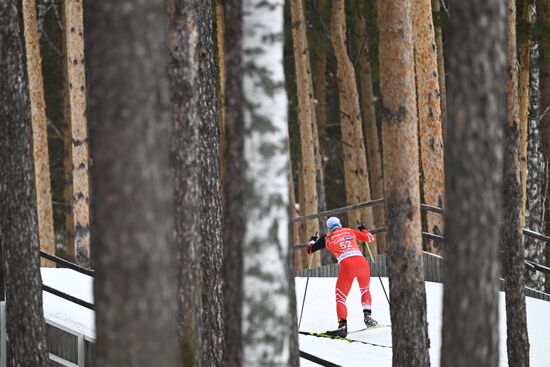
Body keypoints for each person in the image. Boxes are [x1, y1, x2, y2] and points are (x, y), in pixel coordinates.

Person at [306, 216, 378, 337]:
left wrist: (313, 240)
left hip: (347, 264)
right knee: (365, 290)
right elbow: (370, 238)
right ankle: (368, 317)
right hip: (362, 263)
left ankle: (342, 326)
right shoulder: (350, 230)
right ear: (339, 224)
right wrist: (363, 229)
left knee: (341, 297)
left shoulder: (327, 238)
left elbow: (309, 250)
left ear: (329, 227)